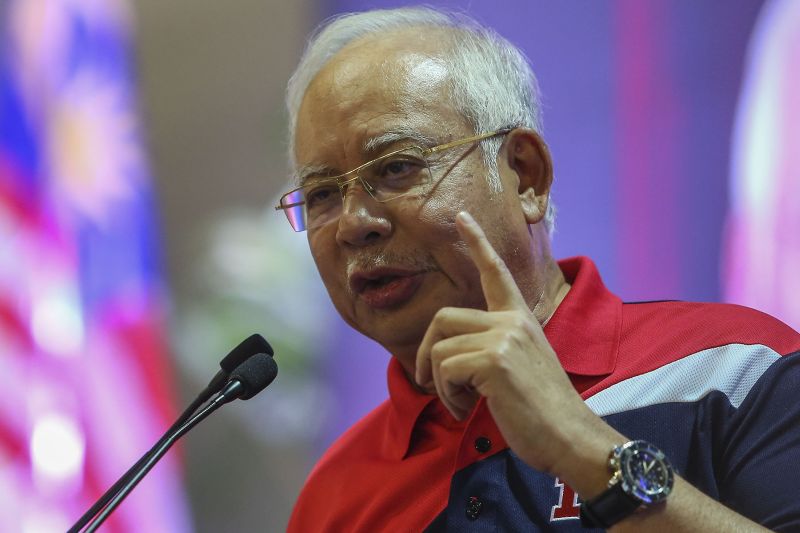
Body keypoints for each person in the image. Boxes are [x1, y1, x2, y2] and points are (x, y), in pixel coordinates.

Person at [277, 6, 800, 532]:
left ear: (525, 175)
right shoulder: (333, 497)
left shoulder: (734, 368)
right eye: (322, 194)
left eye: (397, 167)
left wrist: (577, 444)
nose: (353, 224)